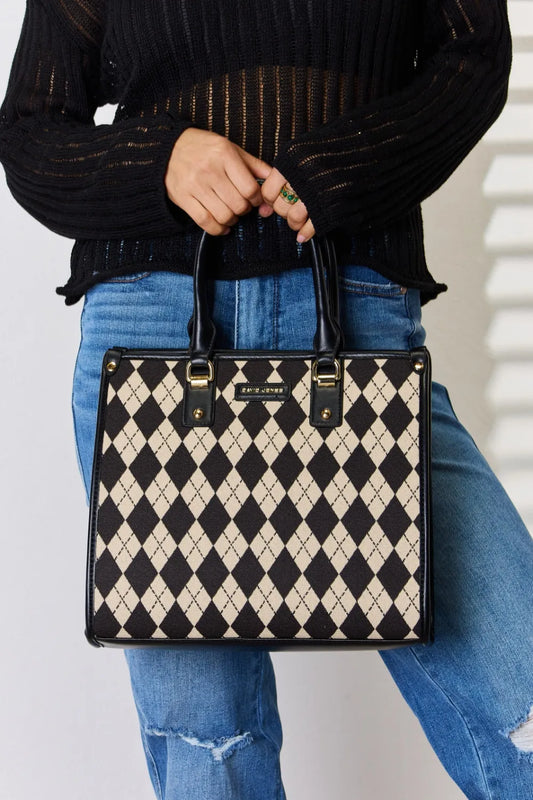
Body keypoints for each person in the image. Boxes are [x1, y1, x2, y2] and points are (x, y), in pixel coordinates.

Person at [1, 1, 532, 798]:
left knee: (519, 696)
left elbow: (474, 54)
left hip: (355, 323)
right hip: (155, 336)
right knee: (207, 745)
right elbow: (32, 131)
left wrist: (345, 165)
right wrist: (162, 160)